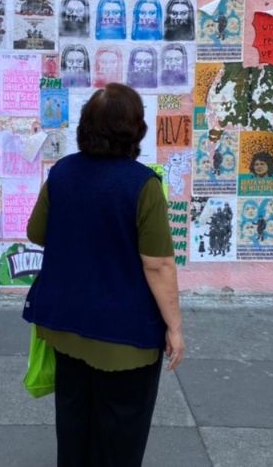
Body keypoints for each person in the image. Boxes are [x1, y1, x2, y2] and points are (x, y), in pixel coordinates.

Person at [23, 83, 185, 467]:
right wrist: (175, 328)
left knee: (74, 422)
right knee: (121, 434)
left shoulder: (62, 172)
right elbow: (158, 264)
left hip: (65, 323)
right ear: (135, 130)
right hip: (124, 336)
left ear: (85, 127)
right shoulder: (143, 185)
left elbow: (36, 232)